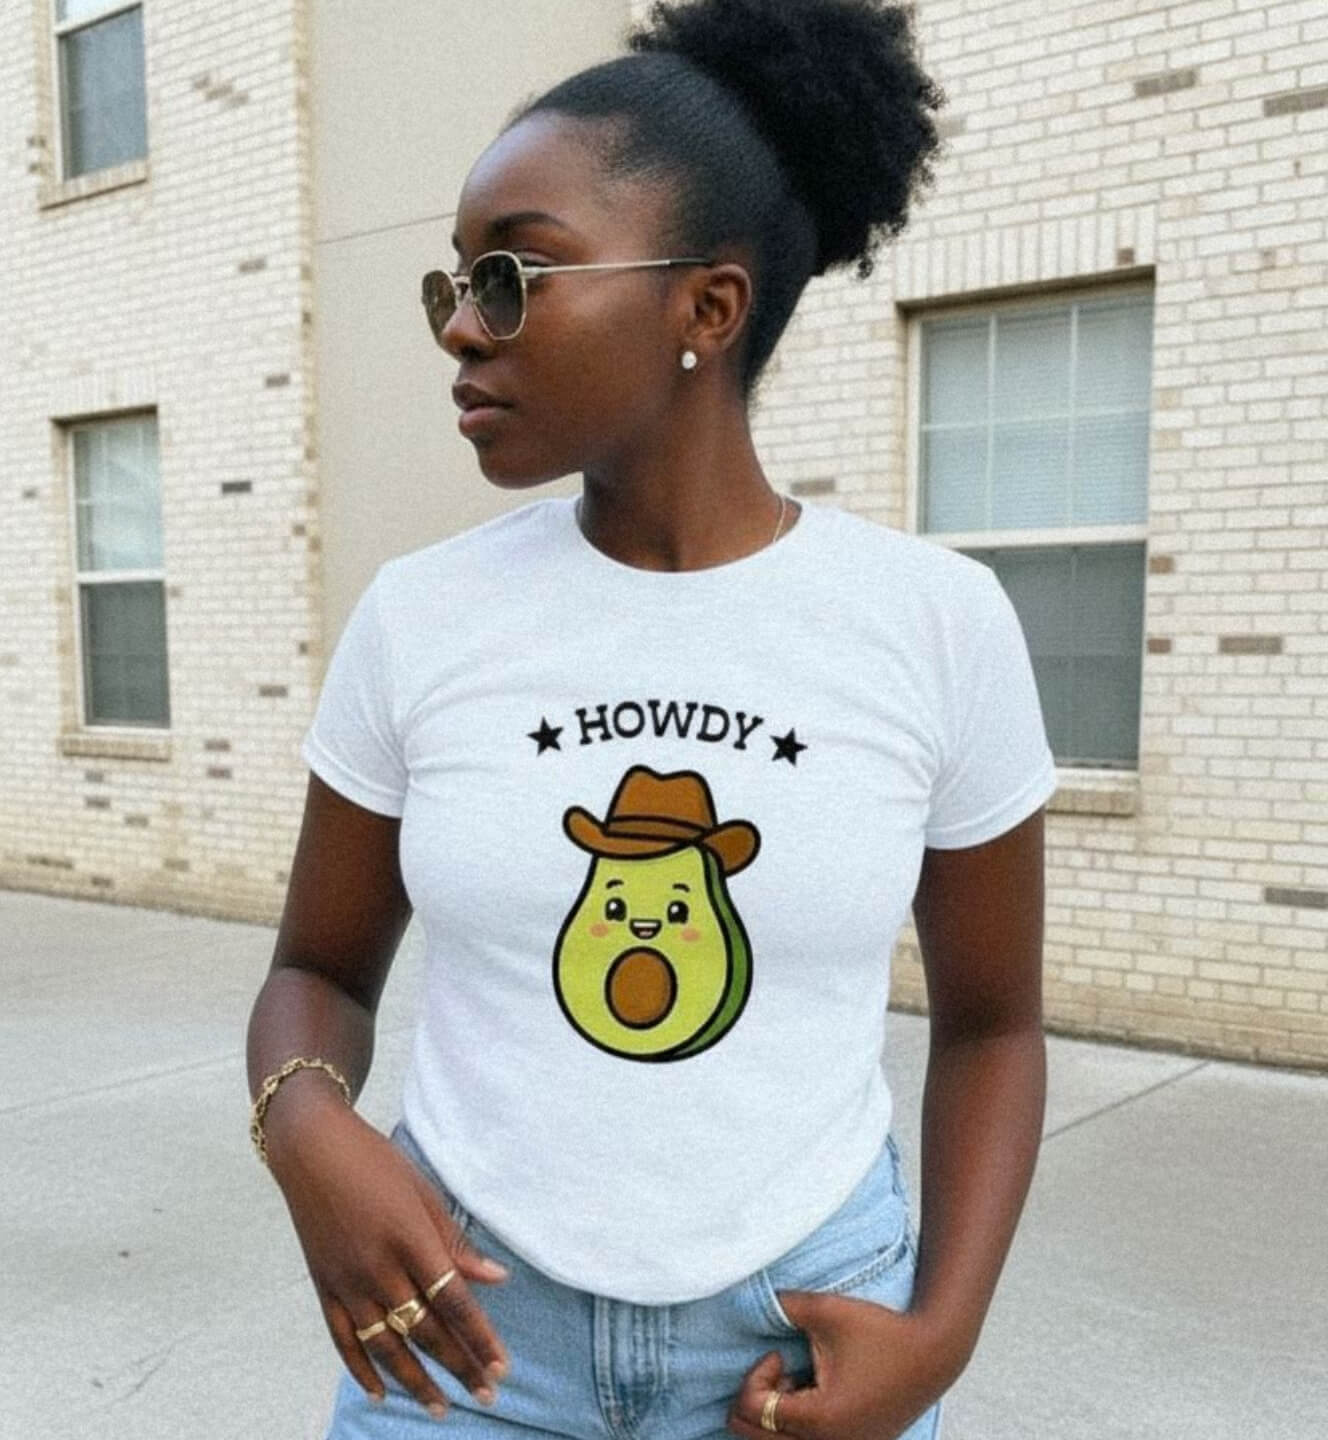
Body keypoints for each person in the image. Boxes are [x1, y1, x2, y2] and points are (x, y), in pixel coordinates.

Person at [245, 2, 1058, 1437]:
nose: (458, 325)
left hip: (801, 1346)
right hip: (464, 1340)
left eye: (512, 276)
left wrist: (938, 1339)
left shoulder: (936, 623)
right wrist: (306, 1124)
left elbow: (993, 1025)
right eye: (450, 282)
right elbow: (319, 968)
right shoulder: (419, 618)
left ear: (708, 307)